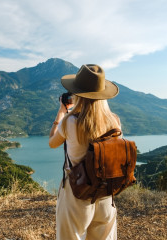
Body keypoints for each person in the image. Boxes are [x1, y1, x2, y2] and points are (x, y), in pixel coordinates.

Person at [49, 64, 121, 240]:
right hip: (105, 194)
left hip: (76, 193)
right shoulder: (114, 122)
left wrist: (61, 112)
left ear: (77, 94)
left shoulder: (70, 121)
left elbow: (52, 142)